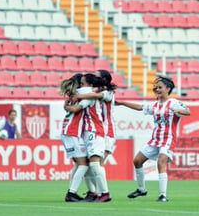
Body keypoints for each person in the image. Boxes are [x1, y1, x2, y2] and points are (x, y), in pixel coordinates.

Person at [117, 76, 190, 202]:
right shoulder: (155, 105)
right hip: (155, 140)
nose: (157, 89)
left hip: (168, 139)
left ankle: (163, 195)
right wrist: (123, 103)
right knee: (137, 161)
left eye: (160, 87)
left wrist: (178, 111)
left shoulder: (173, 102)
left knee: (161, 162)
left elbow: (188, 111)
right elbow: (140, 107)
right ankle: (141, 190)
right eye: (156, 87)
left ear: (168, 89)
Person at [70, 70, 117, 201]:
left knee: (96, 165)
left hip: (106, 132)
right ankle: (94, 192)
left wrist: (76, 95)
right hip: (94, 130)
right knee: (90, 165)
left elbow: (92, 95)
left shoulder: (107, 93)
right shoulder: (94, 92)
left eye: (97, 77)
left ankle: (103, 193)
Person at [60, 73, 91, 202]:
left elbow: (68, 107)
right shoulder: (82, 95)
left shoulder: (73, 94)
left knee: (78, 165)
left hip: (68, 131)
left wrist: (67, 106)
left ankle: (72, 191)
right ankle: (71, 193)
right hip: (72, 132)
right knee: (84, 165)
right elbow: (75, 109)